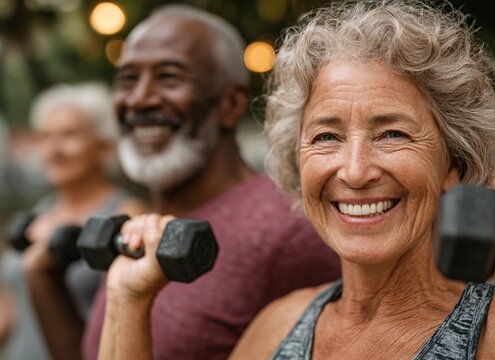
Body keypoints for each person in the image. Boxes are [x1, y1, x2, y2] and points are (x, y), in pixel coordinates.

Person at [97, 1, 495, 359]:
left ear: (452, 165)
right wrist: (127, 299)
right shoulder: (277, 326)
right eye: (326, 137)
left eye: (392, 133)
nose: (354, 170)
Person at [24, 5, 340, 360]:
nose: (140, 99)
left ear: (231, 104)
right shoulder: (142, 229)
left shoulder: (287, 230)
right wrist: (43, 279)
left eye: (169, 78)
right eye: (128, 79)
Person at [0, 83, 146, 359]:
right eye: (44, 137)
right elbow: (9, 310)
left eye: (69, 135)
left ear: (103, 146)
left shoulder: (128, 215)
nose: (54, 149)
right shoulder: (38, 214)